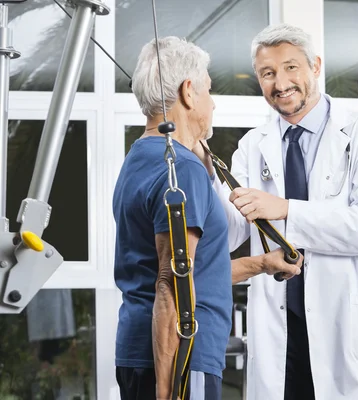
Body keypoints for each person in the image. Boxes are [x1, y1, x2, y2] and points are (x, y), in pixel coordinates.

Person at [197, 23, 358, 400]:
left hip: (349, 332)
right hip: (282, 335)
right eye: (267, 73)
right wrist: (205, 176)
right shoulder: (251, 146)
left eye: (291, 67)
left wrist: (288, 210)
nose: (280, 83)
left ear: (315, 66)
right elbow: (226, 233)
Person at [113, 36, 302, 400]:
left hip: (144, 353)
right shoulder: (181, 169)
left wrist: (262, 263)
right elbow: (171, 284)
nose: (212, 104)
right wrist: (169, 392)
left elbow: (193, 273)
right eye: (209, 92)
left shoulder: (138, 158)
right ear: (188, 92)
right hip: (179, 360)